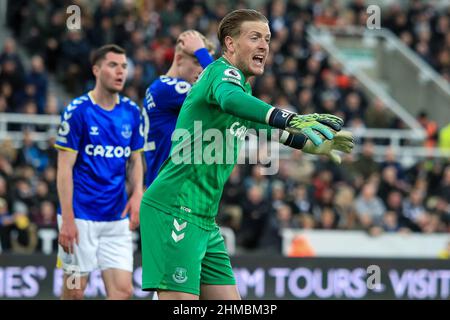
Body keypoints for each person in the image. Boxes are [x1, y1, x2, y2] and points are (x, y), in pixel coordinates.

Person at [139, 9, 353, 300]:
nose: (264, 45)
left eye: (267, 38)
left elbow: (269, 129)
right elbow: (231, 100)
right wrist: (288, 116)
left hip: (204, 219)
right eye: (255, 38)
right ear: (230, 44)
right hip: (175, 208)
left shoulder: (241, 89)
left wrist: (314, 145)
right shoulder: (220, 74)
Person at [55, 44, 144, 300]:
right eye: (113, 65)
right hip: (80, 216)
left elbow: (136, 160)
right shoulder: (78, 111)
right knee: (74, 291)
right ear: (96, 70)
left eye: (124, 66)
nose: (120, 72)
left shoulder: (131, 112)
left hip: (116, 217)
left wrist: (137, 192)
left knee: (123, 291)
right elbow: (63, 168)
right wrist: (68, 219)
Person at [142, 30, 215, 187]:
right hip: (168, 193)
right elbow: (219, 88)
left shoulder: (162, 89)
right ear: (179, 59)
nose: (202, 70)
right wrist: (202, 53)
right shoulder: (167, 88)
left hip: (175, 188)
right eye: (198, 62)